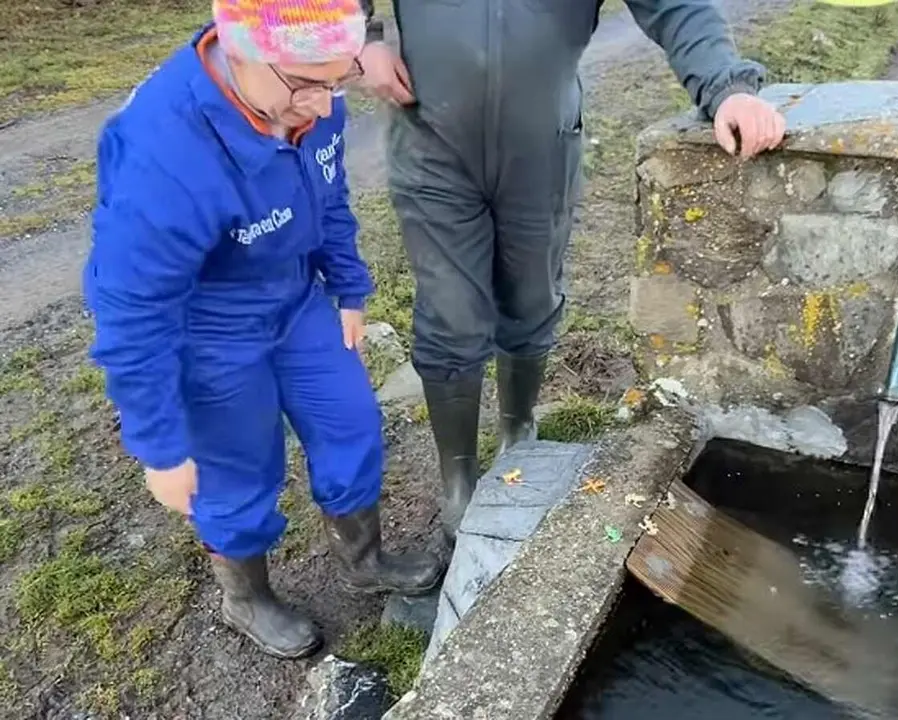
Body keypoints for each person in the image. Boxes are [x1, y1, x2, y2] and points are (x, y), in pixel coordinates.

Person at [353, 0, 786, 552]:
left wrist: (728, 87)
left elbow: (674, 7)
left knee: (531, 299)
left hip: (542, 147)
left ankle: (518, 433)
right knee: (451, 318)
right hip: (432, 145)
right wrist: (362, 39)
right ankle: (457, 478)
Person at [83, 0, 442, 660]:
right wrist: (159, 445)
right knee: (237, 473)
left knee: (352, 424)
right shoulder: (162, 154)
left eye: (340, 80)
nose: (324, 105)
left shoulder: (313, 99)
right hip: (207, 329)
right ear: (240, 49)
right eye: (307, 84)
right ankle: (245, 597)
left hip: (296, 300)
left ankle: (363, 559)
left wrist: (349, 285)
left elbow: (328, 195)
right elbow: (132, 312)